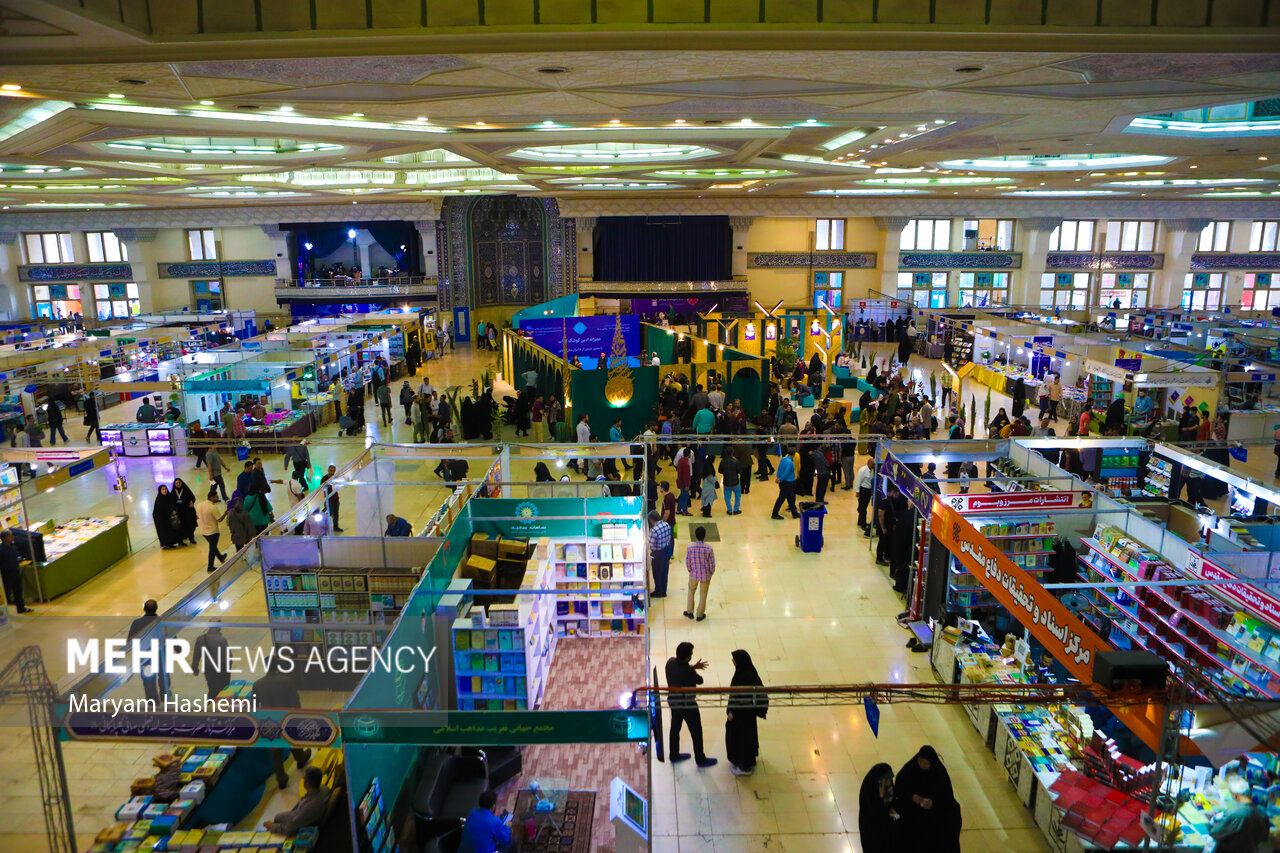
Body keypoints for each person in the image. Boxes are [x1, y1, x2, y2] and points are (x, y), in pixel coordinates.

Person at [253, 657, 311, 789]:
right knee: (293, 741)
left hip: (269, 722)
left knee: (275, 751)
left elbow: (254, 707)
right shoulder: (287, 681)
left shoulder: (257, 684)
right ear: (277, 665)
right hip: (286, 718)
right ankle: (301, 759)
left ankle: (281, 778)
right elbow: (295, 701)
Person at [894, 745, 961, 853]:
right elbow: (900, 786)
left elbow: (946, 796)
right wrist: (911, 796)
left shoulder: (939, 773)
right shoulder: (910, 769)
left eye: (926, 763)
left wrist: (933, 802)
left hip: (934, 811)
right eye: (920, 762)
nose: (922, 765)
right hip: (912, 809)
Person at [665, 641, 716, 767]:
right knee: (696, 731)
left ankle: (674, 754)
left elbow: (680, 669)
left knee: (675, 728)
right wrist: (692, 669)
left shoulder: (670, 662)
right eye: (691, 654)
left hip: (673, 701)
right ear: (687, 657)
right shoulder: (688, 671)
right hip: (687, 705)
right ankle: (700, 759)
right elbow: (700, 681)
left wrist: (692, 667)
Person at [725, 649, 767, 776]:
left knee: (740, 738)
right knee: (747, 737)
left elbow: (737, 696)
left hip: (740, 714)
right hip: (747, 713)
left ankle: (744, 767)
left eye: (734, 660)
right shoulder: (749, 672)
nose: (733, 662)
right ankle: (747, 761)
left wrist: (731, 711)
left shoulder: (742, 676)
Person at [1208, 774, 1271, 853]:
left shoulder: (1235, 813)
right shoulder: (1262, 813)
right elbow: (1264, 838)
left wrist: (1212, 821)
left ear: (1234, 795)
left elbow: (1215, 832)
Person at [128, 600, 164, 704]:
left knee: (148, 680)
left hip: (144, 657)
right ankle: (164, 694)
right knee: (163, 675)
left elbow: (130, 640)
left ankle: (152, 702)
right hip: (160, 655)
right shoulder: (161, 621)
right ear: (156, 608)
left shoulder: (136, 623)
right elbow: (170, 635)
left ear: (144, 609)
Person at [456, 789, 514, 853]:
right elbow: (505, 839)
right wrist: (506, 827)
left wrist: (495, 820)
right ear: (493, 806)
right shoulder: (495, 821)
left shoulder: (472, 812)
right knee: (511, 841)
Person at [858, 763, 899, 853]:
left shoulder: (888, 785)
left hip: (885, 827)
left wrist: (892, 808)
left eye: (890, 779)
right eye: (887, 780)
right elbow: (874, 810)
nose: (889, 782)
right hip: (871, 828)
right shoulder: (870, 788)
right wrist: (888, 814)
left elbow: (893, 799)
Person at [683, 525, 715, 621]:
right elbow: (712, 563)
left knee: (691, 591)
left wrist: (690, 569)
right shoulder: (709, 548)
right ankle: (700, 614)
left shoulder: (690, 547)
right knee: (703, 594)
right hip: (705, 575)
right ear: (704, 536)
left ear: (695, 536)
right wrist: (711, 572)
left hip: (694, 574)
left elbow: (687, 561)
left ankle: (689, 611)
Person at [192, 618, 230, 696]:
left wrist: (195, 669)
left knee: (212, 689)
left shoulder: (200, 639)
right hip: (221, 668)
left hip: (208, 668)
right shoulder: (222, 640)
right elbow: (228, 657)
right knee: (222, 691)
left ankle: (210, 705)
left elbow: (196, 656)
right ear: (219, 627)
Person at [195, 489, 227, 573]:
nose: (218, 498)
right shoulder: (213, 507)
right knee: (212, 549)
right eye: (216, 497)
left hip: (203, 530)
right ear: (212, 498)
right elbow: (219, 519)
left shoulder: (199, 505)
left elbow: (196, 515)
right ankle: (210, 566)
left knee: (213, 546)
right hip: (213, 531)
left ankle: (220, 557)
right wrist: (225, 513)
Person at [0, 530, 30, 613]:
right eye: (10, 535)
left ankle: (21, 608)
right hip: (6, 574)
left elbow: (15, 556)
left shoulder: (13, 546)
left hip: (15, 571)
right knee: (6, 592)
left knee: (18, 590)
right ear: (5, 538)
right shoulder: (1, 549)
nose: (12, 537)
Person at [648, 510, 673, 599]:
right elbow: (670, 538)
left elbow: (651, 544)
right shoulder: (667, 525)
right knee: (664, 572)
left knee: (657, 572)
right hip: (666, 551)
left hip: (657, 554)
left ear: (651, 520)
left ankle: (658, 591)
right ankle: (663, 591)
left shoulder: (654, 530)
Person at [771, 449, 799, 520]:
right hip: (788, 483)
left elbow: (779, 468)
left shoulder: (783, 459)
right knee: (781, 498)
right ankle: (774, 514)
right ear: (794, 455)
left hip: (783, 482)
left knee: (791, 498)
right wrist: (780, 479)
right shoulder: (790, 463)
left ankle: (794, 513)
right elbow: (786, 473)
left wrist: (778, 477)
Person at [152, 485, 183, 550]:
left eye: (165, 489)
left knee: (171, 531)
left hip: (170, 518)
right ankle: (165, 544)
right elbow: (160, 510)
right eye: (162, 489)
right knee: (165, 531)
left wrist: (175, 510)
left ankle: (171, 543)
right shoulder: (159, 499)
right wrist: (170, 512)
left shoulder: (170, 496)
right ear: (160, 491)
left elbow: (175, 503)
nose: (164, 490)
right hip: (162, 520)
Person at [172, 478, 198, 545]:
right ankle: (182, 539)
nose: (177, 484)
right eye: (176, 483)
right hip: (180, 512)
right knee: (182, 526)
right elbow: (171, 502)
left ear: (181, 483)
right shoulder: (173, 492)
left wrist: (192, 501)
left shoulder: (186, 490)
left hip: (188, 511)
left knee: (191, 524)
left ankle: (191, 538)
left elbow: (192, 497)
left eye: (179, 483)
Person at [320, 464, 343, 532]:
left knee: (336, 513)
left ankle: (335, 527)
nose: (332, 472)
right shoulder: (324, 479)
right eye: (331, 470)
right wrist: (325, 501)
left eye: (333, 471)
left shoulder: (335, 477)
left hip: (335, 498)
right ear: (328, 470)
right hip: (329, 499)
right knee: (329, 513)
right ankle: (324, 526)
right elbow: (322, 491)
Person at [855, 459, 876, 533]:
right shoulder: (862, 470)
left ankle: (860, 521)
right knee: (862, 508)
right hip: (863, 490)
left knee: (864, 506)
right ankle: (863, 524)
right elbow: (858, 481)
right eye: (873, 464)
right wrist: (857, 491)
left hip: (869, 491)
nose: (874, 466)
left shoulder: (873, 470)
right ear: (869, 463)